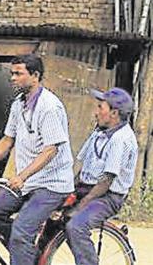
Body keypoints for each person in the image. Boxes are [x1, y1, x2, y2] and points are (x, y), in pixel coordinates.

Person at [0, 54, 74, 265]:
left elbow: (50, 149)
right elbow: (7, 140)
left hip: (52, 185)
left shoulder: (49, 106)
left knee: (20, 232)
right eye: (12, 73)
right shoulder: (19, 104)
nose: (12, 78)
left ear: (35, 76)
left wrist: (22, 176)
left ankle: (22, 251)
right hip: (28, 182)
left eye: (18, 73)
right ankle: (27, 256)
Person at [65, 87, 138, 265]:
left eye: (100, 107)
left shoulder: (121, 139)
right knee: (50, 211)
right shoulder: (99, 132)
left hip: (107, 196)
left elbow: (106, 180)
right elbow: (83, 167)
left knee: (77, 226)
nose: (96, 112)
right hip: (88, 188)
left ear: (114, 113)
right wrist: (69, 190)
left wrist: (82, 203)